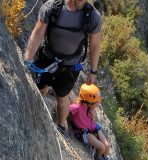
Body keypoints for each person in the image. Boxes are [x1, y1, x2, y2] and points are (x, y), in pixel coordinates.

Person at [23, 0, 102, 133]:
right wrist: (28, 58)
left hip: (70, 66)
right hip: (47, 58)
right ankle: (40, 102)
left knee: (62, 96)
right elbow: (38, 33)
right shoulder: (51, 7)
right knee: (41, 89)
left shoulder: (93, 16)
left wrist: (93, 71)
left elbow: (95, 45)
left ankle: (61, 124)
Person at [69, 84, 111, 160]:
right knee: (102, 147)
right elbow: (68, 109)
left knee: (107, 146)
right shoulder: (77, 107)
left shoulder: (89, 109)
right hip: (84, 132)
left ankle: (104, 159)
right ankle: (98, 159)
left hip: (92, 127)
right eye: (97, 102)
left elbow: (91, 121)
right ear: (90, 103)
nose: (98, 104)